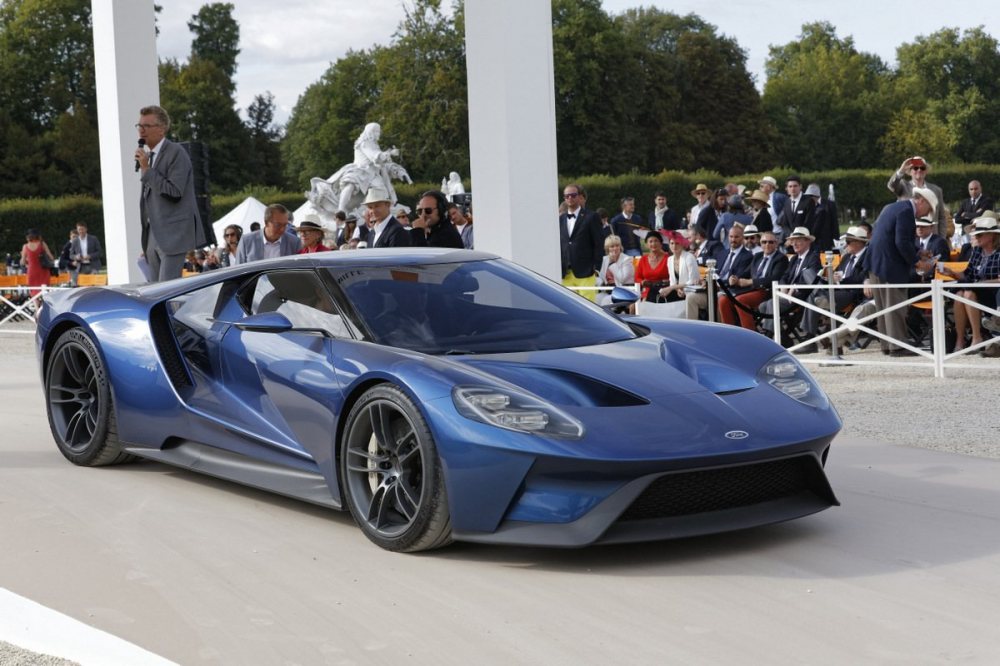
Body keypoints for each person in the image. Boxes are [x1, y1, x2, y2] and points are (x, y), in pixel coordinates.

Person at [135, 105, 208, 282]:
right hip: (153, 234)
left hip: (173, 235)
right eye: (139, 126)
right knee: (154, 292)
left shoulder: (176, 153)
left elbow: (174, 191)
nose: (141, 131)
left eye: (146, 126)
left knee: (167, 292)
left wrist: (147, 170)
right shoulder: (150, 156)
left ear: (161, 129)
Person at [867, 187, 937, 356]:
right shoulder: (906, 212)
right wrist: (917, 262)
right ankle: (897, 346)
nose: (926, 214)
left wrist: (918, 251)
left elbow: (893, 237)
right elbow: (901, 242)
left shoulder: (892, 207)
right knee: (895, 306)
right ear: (922, 201)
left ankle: (887, 344)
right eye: (928, 209)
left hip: (876, 262)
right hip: (891, 265)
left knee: (883, 308)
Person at [939, 215, 1000, 354]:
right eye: (975, 234)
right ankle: (961, 340)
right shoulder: (977, 251)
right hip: (976, 289)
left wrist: (981, 283)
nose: (976, 237)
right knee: (961, 294)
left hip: (994, 293)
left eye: (980, 234)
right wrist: (952, 273)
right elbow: (968, 274)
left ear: (992, 236)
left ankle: (977, 337)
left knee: (967, 292)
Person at [802, 226, 871, 345]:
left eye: (848, 242)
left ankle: (809, 338)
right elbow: (837, 273)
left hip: (851, 294)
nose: (845, 245)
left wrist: (841, 280)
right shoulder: (846, 257)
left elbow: (862, 277)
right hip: (836, 290)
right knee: (807, 272)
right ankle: (819, 292)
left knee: (811, 297)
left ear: (859, 243)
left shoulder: (868, 257)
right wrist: (832, 277)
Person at [719, 230, 789, 330]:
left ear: (776, 243)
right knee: (723, 300)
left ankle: (749, 335)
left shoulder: (781, 258)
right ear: (760, 243)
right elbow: (746, 273)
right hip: (751, 290)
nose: (767, 245)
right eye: (764, 242)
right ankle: (730, 333)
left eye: (770, 242)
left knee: (740, 300)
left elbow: (774, 278)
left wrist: (750, 282)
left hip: (766, 291)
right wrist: (735, 278)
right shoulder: (758, 256)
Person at [686, 225, 753, 320]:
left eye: (736, 237)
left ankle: (719, 331)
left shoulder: (747, 256)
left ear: (742, 238)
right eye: (731, 236)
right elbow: (714, 271)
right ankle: (692, 330)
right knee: (691, 297)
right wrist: (705, 280)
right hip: (712, 290)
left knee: (719, 297)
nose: (733, 239)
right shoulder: (722, 253)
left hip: (729, 292)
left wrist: (717, 284)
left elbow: (735, 279)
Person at [559, 183, 604, 299]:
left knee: (588, 308)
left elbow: (599, 243)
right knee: (568, 306)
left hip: (586, 271)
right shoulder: (560, 219)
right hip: (565, 273)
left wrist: (597, 269)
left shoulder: (592, 216)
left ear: (579, 197)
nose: (570, 198)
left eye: (573, 195)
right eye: (567, 196)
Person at [888, 156, 947, 243]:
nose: (919, 170)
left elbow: (941, 217)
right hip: (908, 236)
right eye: (915, 168)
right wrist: (901, 171)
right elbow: (891, 186)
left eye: (922, 168)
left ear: (926, 171)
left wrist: (941, 240)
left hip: (932, 238)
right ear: (910, 171)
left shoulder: (936, 190)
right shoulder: (903, 186)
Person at [235, 204, 302, 263]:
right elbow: (238, 270)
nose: (282, 229)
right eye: (278, 225)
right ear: (266, 223)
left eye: (285, 225)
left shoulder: (294, 242)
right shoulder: (246, 241)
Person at [657, 230, 700, 303]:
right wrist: (677, 289)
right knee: (657, 294)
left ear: (682, 244)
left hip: (691, 291)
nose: (674, 246)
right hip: (678, 291)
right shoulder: (670, 259)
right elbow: (672, 281)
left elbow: (693, 281)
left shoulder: (689, 257)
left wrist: (672, 288)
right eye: (672, 243)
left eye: (677, 243)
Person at [595, 234, 635, 305]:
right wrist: (600, 281)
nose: (615, 248)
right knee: (595, 300)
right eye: (612, 246)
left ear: (620, 246)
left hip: (623, 291)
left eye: (617, 245)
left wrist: (613, 263)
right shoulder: (605, 259)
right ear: (608, 248)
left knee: (606, 302)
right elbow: (602, 277)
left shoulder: (627, 259)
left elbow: (622, 279)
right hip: (608, 290)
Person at [633, 230, 670, 302]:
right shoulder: (643, 259)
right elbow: (637, 278)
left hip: (664, 291)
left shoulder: (668, 259)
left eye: (656, 241)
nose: (653, 244)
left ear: (661, 243)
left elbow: (673, 277)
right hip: (646, 291)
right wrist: (642, 282)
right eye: (651, 241)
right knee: (632, 307)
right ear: (647, 244)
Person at [781, 175, 814, 246]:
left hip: (805, 241)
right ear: (787, 188)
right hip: (791, 243)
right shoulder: (787, 202)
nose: (793, 189)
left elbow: (808, 222)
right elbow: (784, 223)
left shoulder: (809, 201)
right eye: (790, 186)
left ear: (800, 187)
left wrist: (796, 237)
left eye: (795, 186)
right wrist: (791, 238)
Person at [20, 229, 55, 294]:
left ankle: (36, 304)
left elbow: (22, 262)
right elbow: (51, 257)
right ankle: (43, 304)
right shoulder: (42, 244)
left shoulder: (25, 246)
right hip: (43, 270)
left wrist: (27, 259)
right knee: (45, 291)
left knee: (33, 291)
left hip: (32, 271)